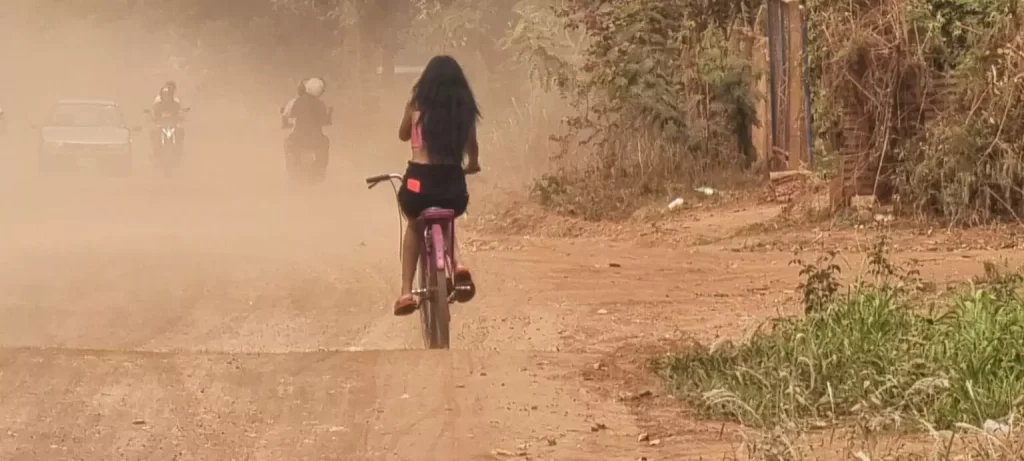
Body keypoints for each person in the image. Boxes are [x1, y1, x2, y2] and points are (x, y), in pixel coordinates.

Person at [393, 55, 481, 316]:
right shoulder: (462, 110)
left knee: (414, 224)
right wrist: (473, 164)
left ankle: (406, 291)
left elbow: (402, 135)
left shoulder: (416, 105)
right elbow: (472, 148)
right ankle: (459, 263)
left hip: (419, 184)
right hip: (452, 185)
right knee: (447, 217)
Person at [281, 77, 332, 176]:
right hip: (316, 139)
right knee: (326, 141)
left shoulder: (298, 101)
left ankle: (291, 168)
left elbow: (290, 115)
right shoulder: (320, 104)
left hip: (298, 137)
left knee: (287, 143)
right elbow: (324, 120)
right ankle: (321, 166)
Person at [151, 81, 185, 151]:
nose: (166, 97)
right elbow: (154, 114)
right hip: (161, 123)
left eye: (168, 95)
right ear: (161, 95)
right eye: (164, 95)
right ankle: (155, 149)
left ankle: (179, 148)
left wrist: (181, 118)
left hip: (172, 124)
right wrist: (154, 119)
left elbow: (178, 113)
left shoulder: (176, 103)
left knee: (180, 130)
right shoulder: (157, 103)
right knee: (153, 131)